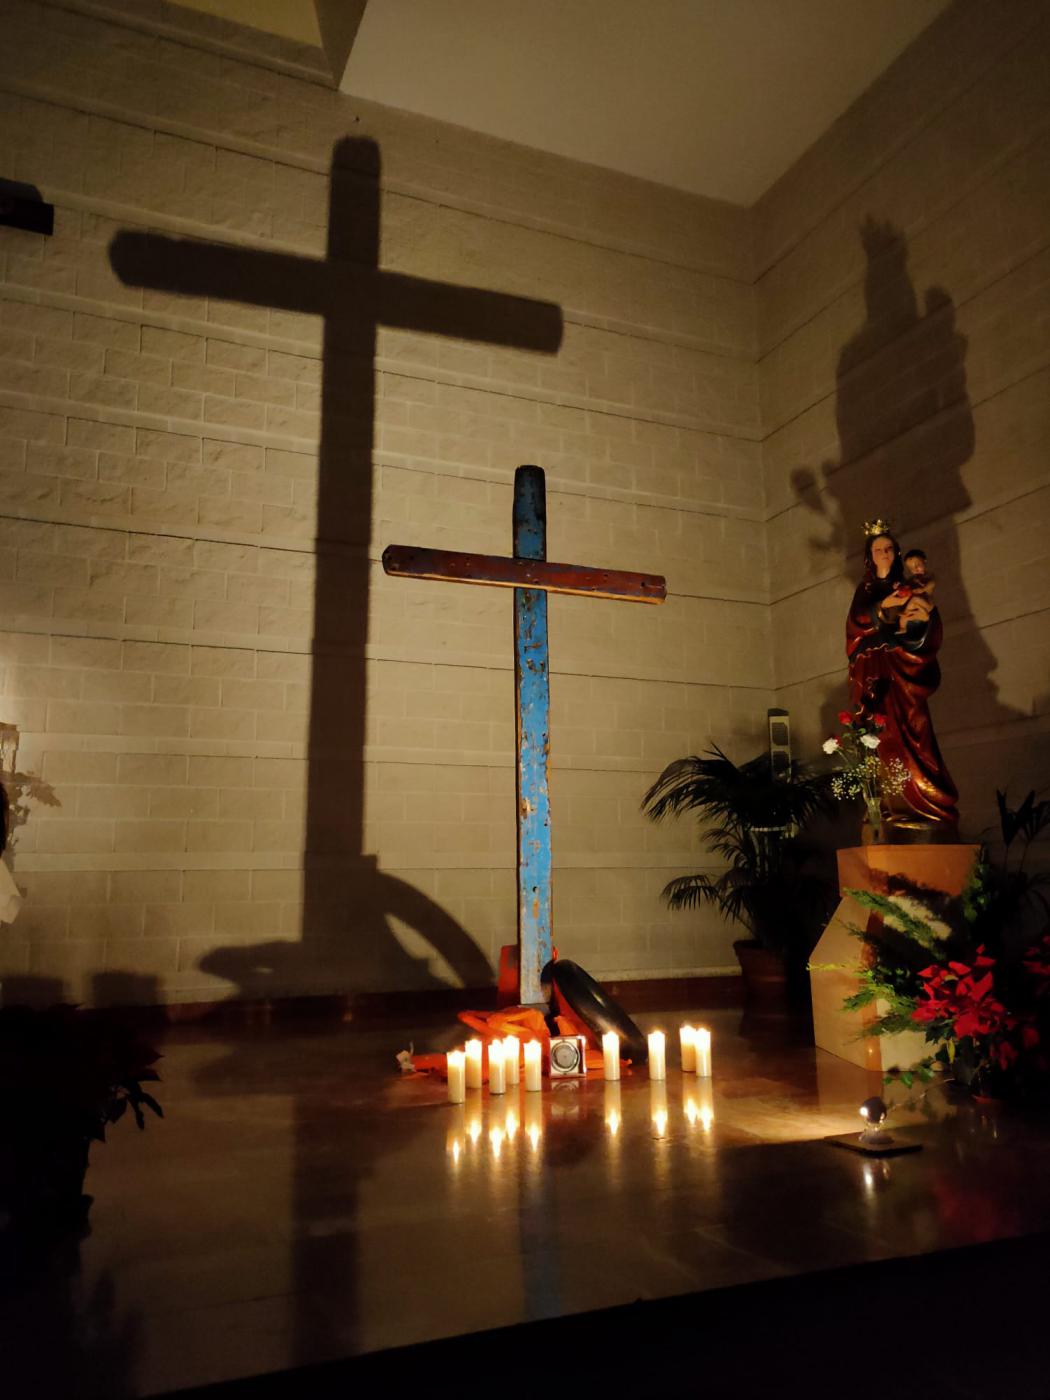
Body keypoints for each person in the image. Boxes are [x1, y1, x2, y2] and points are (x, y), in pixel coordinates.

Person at [846, 524, 958, 827]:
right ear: (870, 556)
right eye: (877, 550)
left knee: (914, 731)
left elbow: (925, 620)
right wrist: (884, 606)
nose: (884, 554)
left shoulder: (907, 585)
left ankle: (929, 803)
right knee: (878, 737)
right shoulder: (866, 590)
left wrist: (911, 619)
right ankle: (887, 805)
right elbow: (855, 627)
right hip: (873, 674)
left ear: (896, 553)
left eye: (888, 549)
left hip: (903, 671)